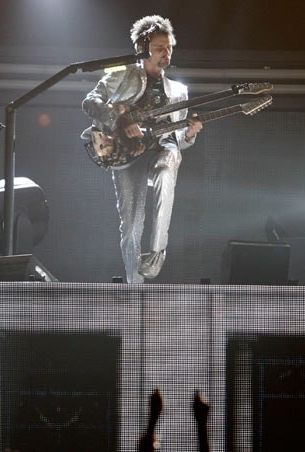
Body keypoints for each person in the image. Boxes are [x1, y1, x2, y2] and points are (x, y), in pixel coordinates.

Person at [82, 15, 202, 283]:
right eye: (160, 48)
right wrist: (121, 119)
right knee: (131, 225)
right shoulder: (120, 74)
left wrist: (190, 135)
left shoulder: (179, 91)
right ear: (142, 48)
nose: (167, 53)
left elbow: (179, 138)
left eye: (169, 47)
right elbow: (90, 102)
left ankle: (158, 250)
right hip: (125, 153)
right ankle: (134, 288)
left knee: (165, 169)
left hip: (162, 148)